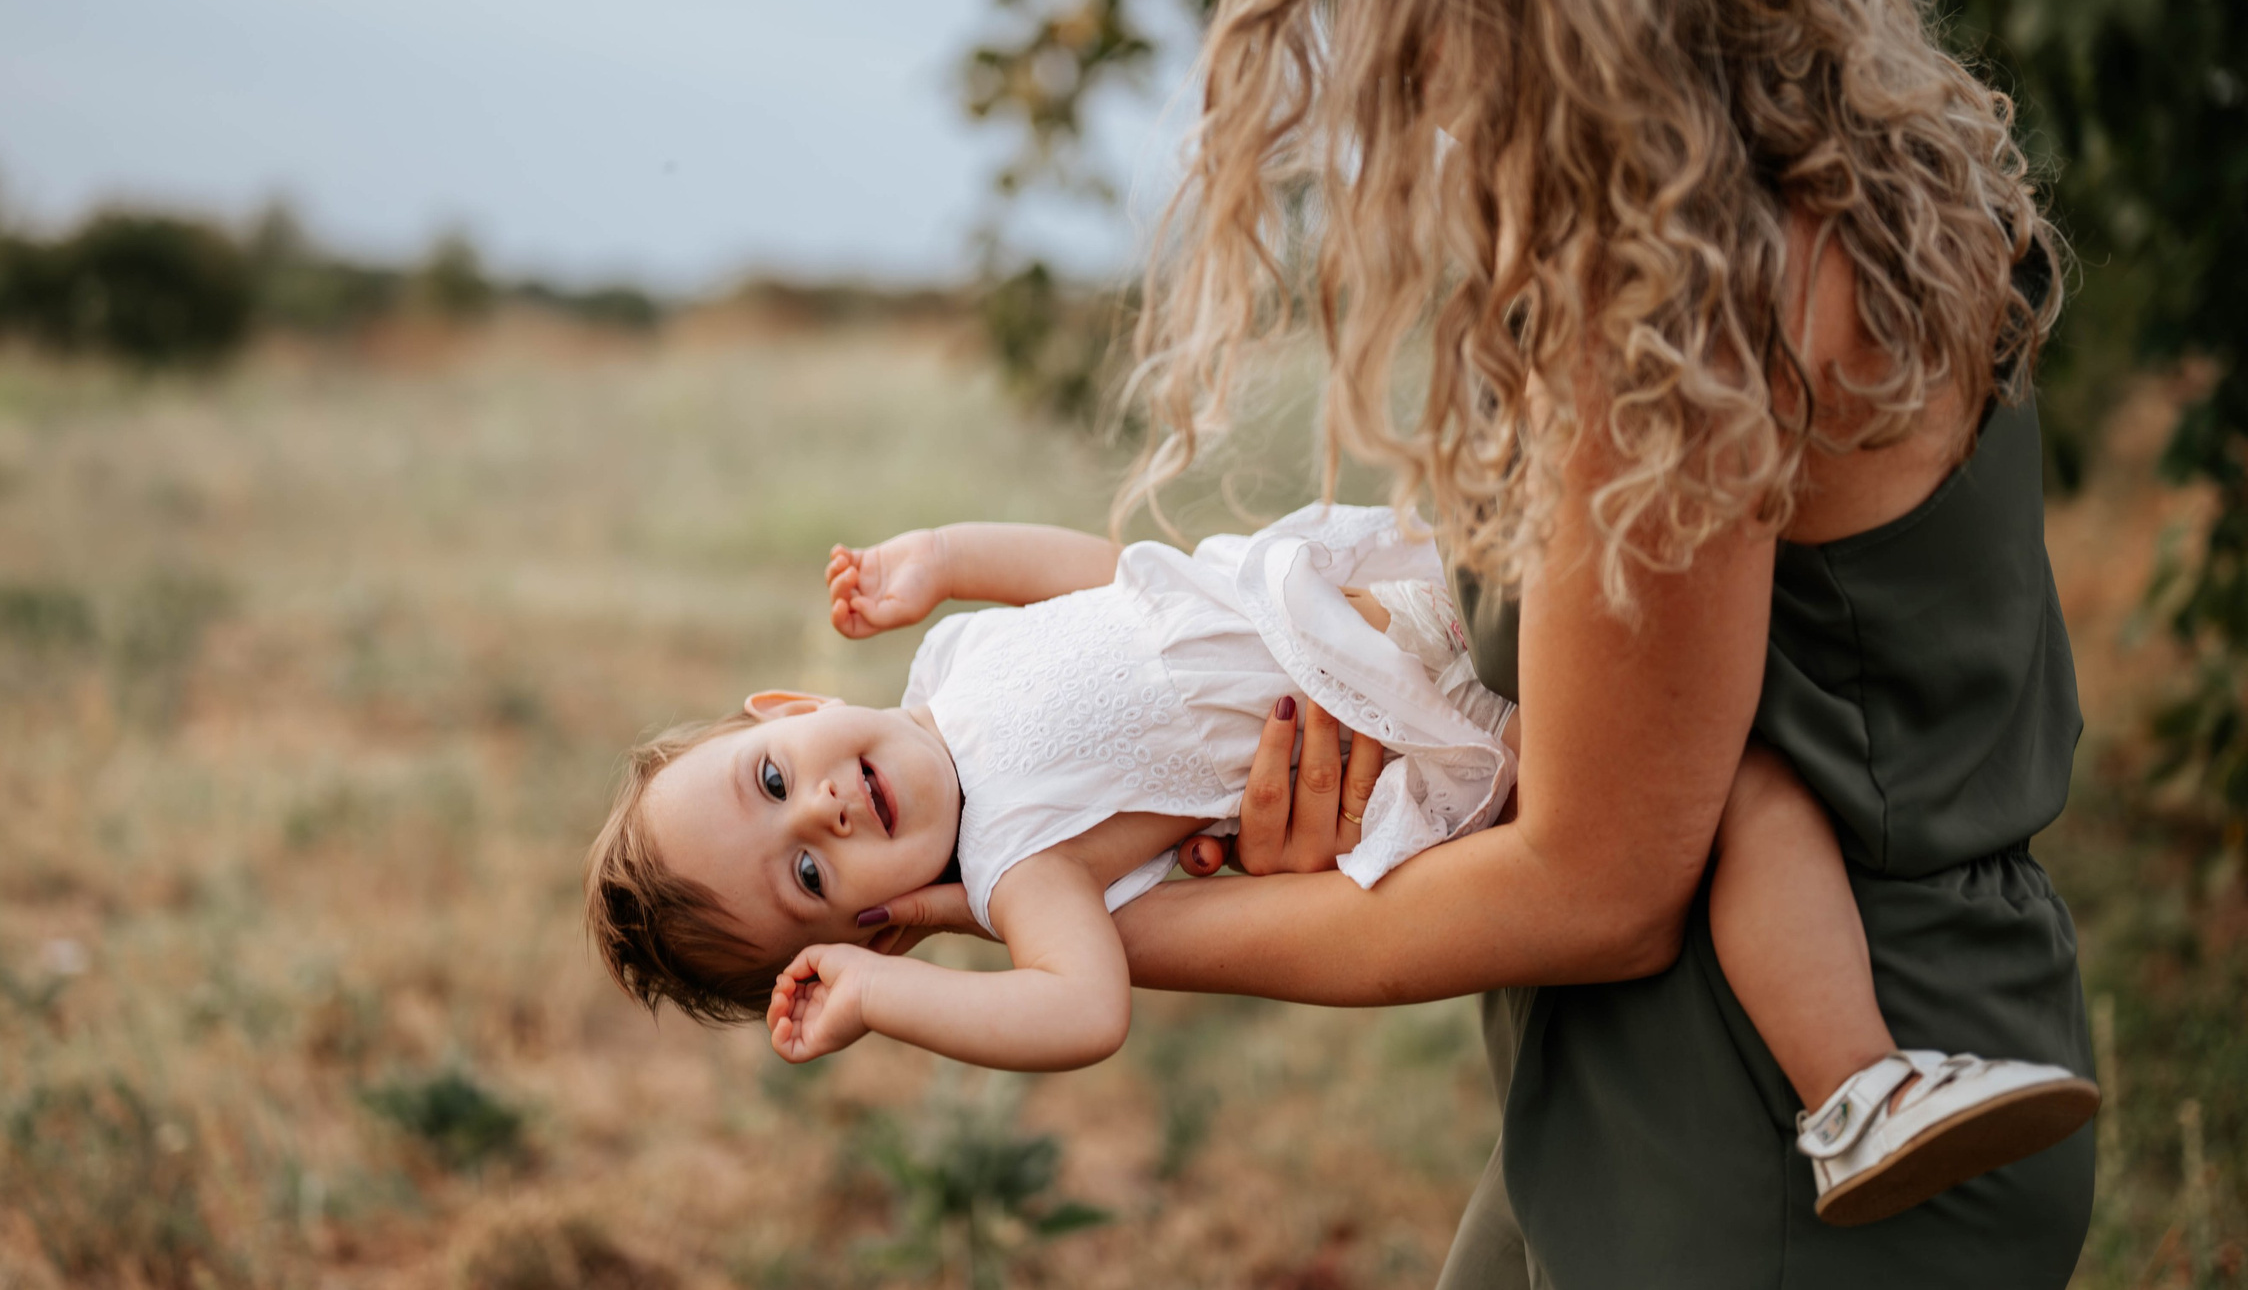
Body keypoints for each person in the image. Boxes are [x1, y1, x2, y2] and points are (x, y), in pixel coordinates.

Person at [851, 0, 2098, 1281]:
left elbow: (1597, 883)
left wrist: (1062, 908)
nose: (1397, 61)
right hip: (1784, 1056)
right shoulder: (1867, 181)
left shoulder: (1680, 296)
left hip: (1773, 1136)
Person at [584, 504, 2091, 1227]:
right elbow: (1080, 1013)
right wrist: (882, 998)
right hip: (1428, 725)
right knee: (1746, 787)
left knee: (1729, 716)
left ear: (786, 710)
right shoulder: (1015, 863)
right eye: (803, 878)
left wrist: (936, 557)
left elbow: (1112, 574)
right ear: (872, 921)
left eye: (777, 776)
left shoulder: (955, 658)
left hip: (1385, 591)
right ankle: (1862, 1082)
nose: (825, 814)